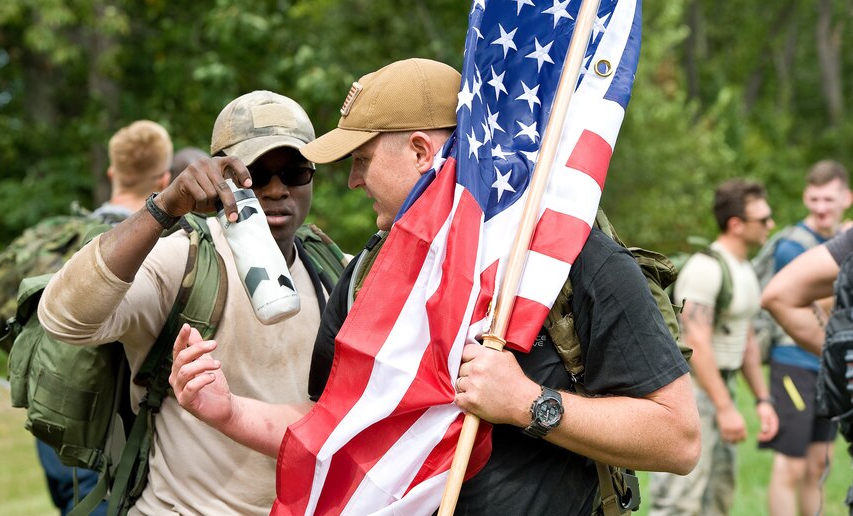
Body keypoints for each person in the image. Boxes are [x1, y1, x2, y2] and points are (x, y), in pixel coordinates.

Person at [169, 58, 701, 515]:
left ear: (422, 152)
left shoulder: (569, 260)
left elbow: (677, 438)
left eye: (362, 160)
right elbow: (333, 427)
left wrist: (527, 403)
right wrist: (227, 410)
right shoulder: (367, 277)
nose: (354, 181)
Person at [37, 91, 342, 514]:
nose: (276, 189)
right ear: (222, 173)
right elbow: (64, 319)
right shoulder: (182, 261)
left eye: (294, 172)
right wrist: (164, 208)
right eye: (255, 172)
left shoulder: (334, 268)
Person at [37, 119, 174, 515]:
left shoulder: (69, 238)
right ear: (164, 177)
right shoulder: (164, 246)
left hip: (57, 410)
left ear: (112, 172)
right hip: (115, 431)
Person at [649, 179, 780, 516]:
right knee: (680, 500)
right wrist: (724, 408)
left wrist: (762, 399)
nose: (771, 225)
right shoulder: (706, 270)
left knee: (718, 497)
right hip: (694, 391)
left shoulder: (745, 268)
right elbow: (696, 343)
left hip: (723, 385)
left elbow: (745, 337)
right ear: (736, 225)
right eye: (763, 219)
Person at [759, 160, 851, 516]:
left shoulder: (838, 243)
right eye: (814, 200)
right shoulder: (794, 247)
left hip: (829, 367)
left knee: (817, 466)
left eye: (829, 200)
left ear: (847, 198)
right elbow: (821, 304)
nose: (821, 208)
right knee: (791, 465)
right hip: (794, 363)